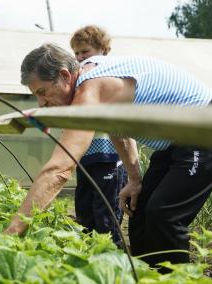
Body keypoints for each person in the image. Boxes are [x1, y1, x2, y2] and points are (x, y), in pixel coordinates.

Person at [4, 43, 212, 271]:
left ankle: (178, 278)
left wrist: (12, 231)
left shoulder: (90, 90)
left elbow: (60, 169)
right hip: (175, 142)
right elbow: (116, 128)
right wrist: (134, 180)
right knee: (139, 214)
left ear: (65, 75)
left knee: (164, 215)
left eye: (43, 92)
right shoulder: (88, 72)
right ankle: (146, 276)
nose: (41, 103)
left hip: (206, 128)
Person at [69, 25, 127, 246]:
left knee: (106, 213)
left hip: (109, 156)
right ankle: (87, 256)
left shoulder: (104, 68)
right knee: (84, 208)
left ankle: (110, 255)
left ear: (102, 49)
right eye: (76, 53)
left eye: (85, 51)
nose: (80, 57)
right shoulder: (81, 76)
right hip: (86, 156)